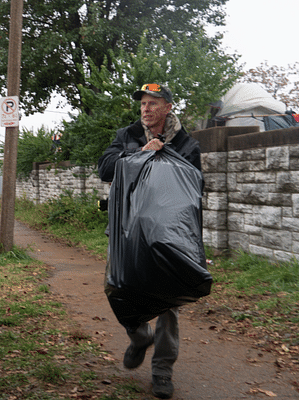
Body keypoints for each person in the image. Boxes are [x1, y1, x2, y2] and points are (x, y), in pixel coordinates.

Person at [97, 83, 202, 399]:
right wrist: (138, 155)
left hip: (170, 234)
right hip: (127, 230)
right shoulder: (126, 136)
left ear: (168, 107)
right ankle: (140, 335)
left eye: (153, 103)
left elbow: (194, 193)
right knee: (117, 287)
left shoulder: (186, 145)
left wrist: (196, 246)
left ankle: (162, 372)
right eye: (143, 103)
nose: (145, 108)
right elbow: (105, 168)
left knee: (168, 303)